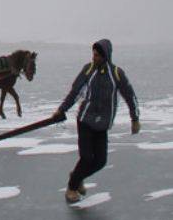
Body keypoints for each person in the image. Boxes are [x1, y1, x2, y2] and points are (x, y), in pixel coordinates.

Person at [53, 39, 140, 203]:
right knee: (86, 158)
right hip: (85, 120)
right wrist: (61, 110)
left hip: (103, 124)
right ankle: (72, 187)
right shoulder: (88, 70)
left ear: (106, 56)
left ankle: (77, 176)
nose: (94, 58)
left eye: (98, 55)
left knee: (100, 161)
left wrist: (135, 119)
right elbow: (75, 92)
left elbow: (130, 96)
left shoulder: (116, 74)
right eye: (93, 54)